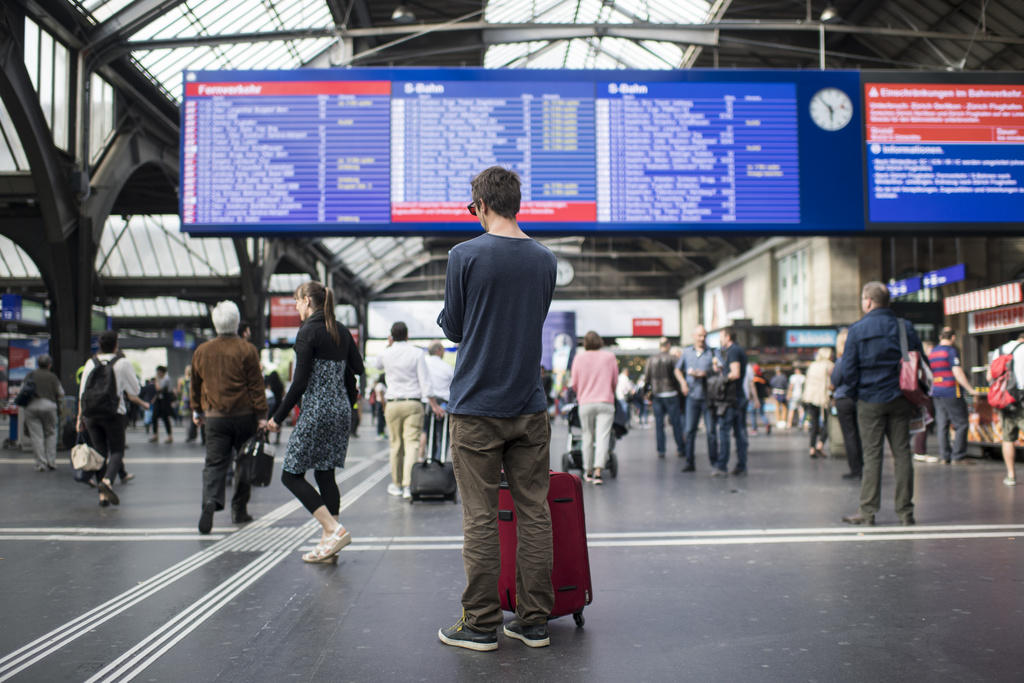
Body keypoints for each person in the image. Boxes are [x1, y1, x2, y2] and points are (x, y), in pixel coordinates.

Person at [436, 166, 557, 651]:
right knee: (534, 512)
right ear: (517, 204)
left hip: (476, 408)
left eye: (472, 207)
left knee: (481, 517)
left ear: (482, 205)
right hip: (529, 405)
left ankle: (482, 622)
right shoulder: (545, 260)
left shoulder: (463, 255)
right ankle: (534, 621)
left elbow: (456, 328)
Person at [267, 282, 364, 562]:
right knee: (325, 473)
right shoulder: (341, 330)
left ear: (308, 301)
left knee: (290, 474)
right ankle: (329, 543)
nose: (296, 306)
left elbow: (298, 384)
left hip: (317, 410)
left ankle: (333, 528)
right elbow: (357, 367)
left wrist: (277, 418)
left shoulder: (308, 331)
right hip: (341, 411)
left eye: (297, 301)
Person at [839, 281, 925, 526]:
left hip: (869, 400)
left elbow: (848, 369)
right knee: (903, 454)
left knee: (872, 455)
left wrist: (856, 393)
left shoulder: (857, 329)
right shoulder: (904, 327)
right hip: (901, 398)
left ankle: (867, 512)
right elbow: (920, 361)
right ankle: (905, 512)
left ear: (868, 301)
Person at [191, 301, 268, 533]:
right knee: (244, 462)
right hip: (244, 416)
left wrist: (197, 410)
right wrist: (262, 415)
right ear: (236, 322)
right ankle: (239, 509)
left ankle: (210, 501)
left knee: (214, 463)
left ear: (215, 323)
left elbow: (195, 385)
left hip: (215, 417)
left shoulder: (202, 351)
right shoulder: (247, 350)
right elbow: (256, 386)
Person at [77, 330, 150, 506]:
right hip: (114, 414)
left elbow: (82, 393)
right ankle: (107, 481)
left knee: (99, 452)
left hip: (92, 415)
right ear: (116, 344)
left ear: (100, 345)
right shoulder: (123, 363)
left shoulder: (90, 363)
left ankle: (102, 496)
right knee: (117, 451)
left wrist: (79, 418)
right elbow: (136, 390)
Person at [376, 322, 433, 499]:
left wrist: (389, 345)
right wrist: (430, 400)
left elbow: (377, 365)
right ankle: (409, 486)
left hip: (392, 403)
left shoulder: (386, 352)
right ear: (407, 336)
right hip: (413, 403)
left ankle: (397, 484)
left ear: (391, 336)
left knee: (396, 445)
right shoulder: (417, 353)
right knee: (412, 444)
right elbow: (424, 380)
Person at [570, 331, 618, 484]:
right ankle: (598, 471)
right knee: (603, 436)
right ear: (600, 341)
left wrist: (582, 393)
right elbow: (614, 381)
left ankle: (588, 471)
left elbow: (574, 383)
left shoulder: (579, 357)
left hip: (586, 402)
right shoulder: (609, 357)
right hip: (605, 401)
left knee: (587, 436)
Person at [928, 329, 977, 465]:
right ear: (953, 337)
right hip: (951, 390)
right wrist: (970, 389)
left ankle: (945, 456)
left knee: (942, 424)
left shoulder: (933, 352)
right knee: (961, 423)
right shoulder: (950, 351)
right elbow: (957, 371)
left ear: (940, 337)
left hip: (936, 391)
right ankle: (958, 456)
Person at [675, 324, 718, 473]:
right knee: (689, 430)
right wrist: (683, 384)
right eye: (699, 336)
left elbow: (719, 370)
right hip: (692, 396)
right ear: (694, 337)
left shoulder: (713, 353)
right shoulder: (687, 353)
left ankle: (714, 462)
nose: (702, 338)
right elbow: (677, 370)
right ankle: (689, 462)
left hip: (708, 397)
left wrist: (707, 373)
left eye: (704, 336)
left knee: (711, 431)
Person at [990, 329, 1024, 486]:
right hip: (1022, 396)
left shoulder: (999, 350)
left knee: (1008, 438)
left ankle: (1010, 475)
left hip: (1006, 399)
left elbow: (990, 376)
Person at [715, 327, 749, 476]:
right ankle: (741, 464)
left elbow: (735, 373)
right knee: (740, 432)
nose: (720, 340)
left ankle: (722, 464)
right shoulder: (737, 350)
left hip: (731, 399)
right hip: (738, 397)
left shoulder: (733, 351)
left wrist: (722, 379)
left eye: (721, 337)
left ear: (728, 337)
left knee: (725, 431)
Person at [644, 337, 685, 459]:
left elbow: (647, 378)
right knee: (676, 424)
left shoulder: (651, 360)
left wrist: (647, 393)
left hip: (657, 395)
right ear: (668, 345)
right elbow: (678, 376)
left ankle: (661, 450)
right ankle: (680, 448)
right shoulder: (673, 359)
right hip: (671, 393)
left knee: (659, 424)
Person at [831, 328, 864, 480]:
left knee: (849, 435)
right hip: (859, 398)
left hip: (843, 399)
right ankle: (862, 467)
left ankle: (855, 469)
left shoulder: (841, 361)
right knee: (858, 434)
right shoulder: (860, 358)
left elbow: (835, 380)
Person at [22, 354, 64, 471]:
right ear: (49, 365)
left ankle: (41, 463)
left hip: (32, 406)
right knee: (51, 433)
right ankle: (51, 461)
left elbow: (22, 390)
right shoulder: (52, 377)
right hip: (49, 406)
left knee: (37, 436)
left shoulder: (30, 375)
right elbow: (61, 393)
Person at [421, 341, 454, 460]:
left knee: (428, 433)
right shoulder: (447, 367)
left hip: (426, 403)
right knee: (444, 435)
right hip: (444, 404)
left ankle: (430, 459)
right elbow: (453, 386)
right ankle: (440, 461)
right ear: (439, 350)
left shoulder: (423, 364)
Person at [803, 347, 834, 459]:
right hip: (823, 397)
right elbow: (832, 382)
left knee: (814, 423)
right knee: (828, 422)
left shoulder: (813, 365)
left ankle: (812, 448)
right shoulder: (829, 365)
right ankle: (820, 444)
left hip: (810, 397)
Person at [149, 366, 174, 443]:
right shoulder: (160, 379)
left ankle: (169, 437)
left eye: (158, 372)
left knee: (165, 418)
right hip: (159, 401)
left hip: (165, 401)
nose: (157, 373)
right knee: (154, 417)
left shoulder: (166, 379)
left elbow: (158, 389)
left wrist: (156, 381)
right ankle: (155, 435)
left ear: (162, 372)